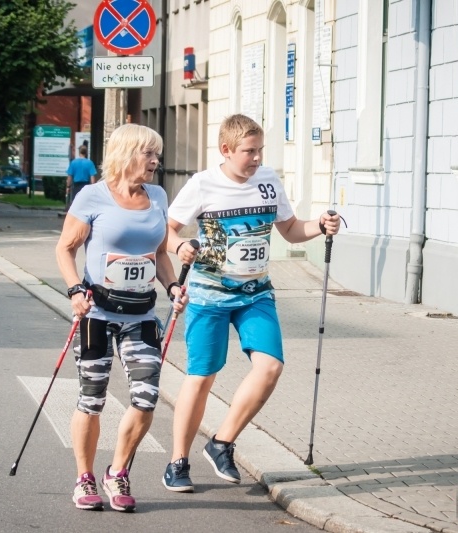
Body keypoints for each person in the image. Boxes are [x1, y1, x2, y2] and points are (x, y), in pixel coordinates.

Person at [161, 113, 341, 492]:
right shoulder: (202, 184)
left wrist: (319, 225)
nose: (257, 158)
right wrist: (179, 247)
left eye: (260, 150)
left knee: (270, 367)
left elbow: (290, 230)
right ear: (226, 150)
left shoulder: (268, 181)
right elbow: (167, 230)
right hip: (209, 296)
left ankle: (221, 442)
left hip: (255, 294)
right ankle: (178, 461)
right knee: (202, 377)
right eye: (249, 151)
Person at [56, 123, 188, 512]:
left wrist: (172, 287)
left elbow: (160, 252)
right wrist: (75, 291)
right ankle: (84, 477)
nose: (155, 161)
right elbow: (65, 248)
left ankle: (117, 472)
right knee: (92, 397)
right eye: (148, 153)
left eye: (156, 154)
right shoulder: (92, 197)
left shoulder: (158, 196)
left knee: (146, 398)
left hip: (141, 314)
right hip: (96, 311)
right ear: (126, 154)